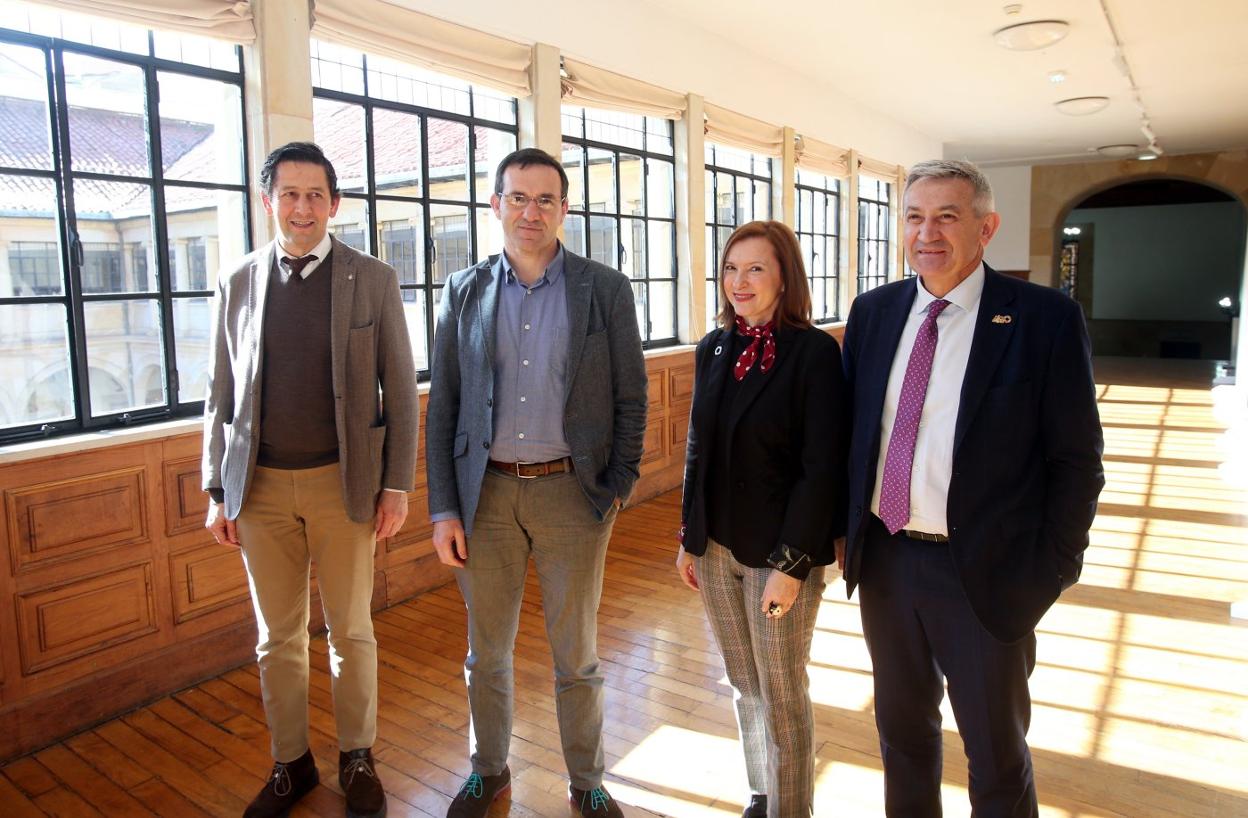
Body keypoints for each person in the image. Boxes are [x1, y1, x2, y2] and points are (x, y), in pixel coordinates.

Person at [840, 159, 1104, 817]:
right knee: (901, 737)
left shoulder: (1043, 318)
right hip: (889, 561)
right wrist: (844, 533)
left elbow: (1077, 461)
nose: (926, 233)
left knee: (995, 755)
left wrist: (1053, 569)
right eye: (914, 217)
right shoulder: (873, 313)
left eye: (947, 217)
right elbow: (850, 436)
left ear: (986, 228)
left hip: (986, 571)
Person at [424, 147, 648, 818]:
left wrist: (618, 486)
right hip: (484, 496)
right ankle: (486, 772)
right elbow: (445, 406)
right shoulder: (463, 291)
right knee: (484, 652)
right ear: (495, 205)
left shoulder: (604, 289)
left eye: (545, 199)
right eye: (517, 197)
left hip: (572, 496)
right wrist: (444, 509)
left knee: (575, 654)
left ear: (564, 209)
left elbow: (632, 397)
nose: (531, 211)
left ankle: (587, 781)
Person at [202, 141, 418, 818]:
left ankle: (357, 756)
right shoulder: (238, 281)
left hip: (344, 485)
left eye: (315, 195)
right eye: (289, 194)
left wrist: (397, 484)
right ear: (268, 201)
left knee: (352, 631)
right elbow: (220, 391)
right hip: (258, 489)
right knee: (277, 637)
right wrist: (217, 489)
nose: (302, 207)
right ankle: (290, 763)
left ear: (334, 204)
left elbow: (401, 392)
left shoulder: (373, 279)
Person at [675, 221, 848, 818]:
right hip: (716, 547)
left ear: (784, 278)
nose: (739, 281)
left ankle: (790, 808)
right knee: (744, 682)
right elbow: (697, 448)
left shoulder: (815, 353)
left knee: (780, 692)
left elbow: (822, 469)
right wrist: (688, 539)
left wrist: (793, 564)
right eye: (730, 268)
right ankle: (763, 791)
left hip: (779, 556)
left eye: (755, 269)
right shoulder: (714, 347)